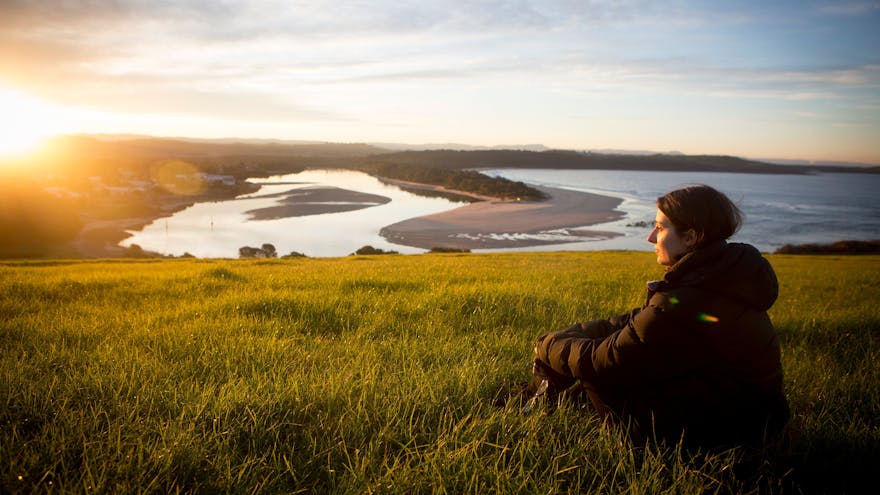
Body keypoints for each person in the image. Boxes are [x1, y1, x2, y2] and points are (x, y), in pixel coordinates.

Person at [531, 184, 789, 448]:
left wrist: (546, 345)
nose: (650, 237)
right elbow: (632, 324)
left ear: (691, 237)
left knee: (596, 369)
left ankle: (546, 402)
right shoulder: (721, 278)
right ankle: (554, 396)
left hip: (716, 439)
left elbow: (601, 361)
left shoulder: (686, 301)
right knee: (593, 351)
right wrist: (565, 337)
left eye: (660, 228)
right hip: (756, 420)